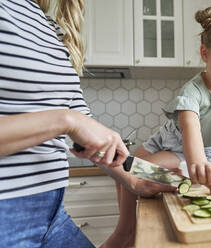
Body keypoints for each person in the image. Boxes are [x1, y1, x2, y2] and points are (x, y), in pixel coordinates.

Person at [0, 0, 176, 247]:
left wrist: (154, 177)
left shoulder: (48, 26)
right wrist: (67, 121)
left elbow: (91, 134)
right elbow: (72, 121)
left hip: (51, 215)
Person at [104, 6, 211, 248]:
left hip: (183, 152)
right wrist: (198, 166)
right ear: (204, 53)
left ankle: (177, 183)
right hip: (166, 141)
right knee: (124, 169)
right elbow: (190, 127)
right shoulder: (192, 91)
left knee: (138, 173)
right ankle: (127, 229)